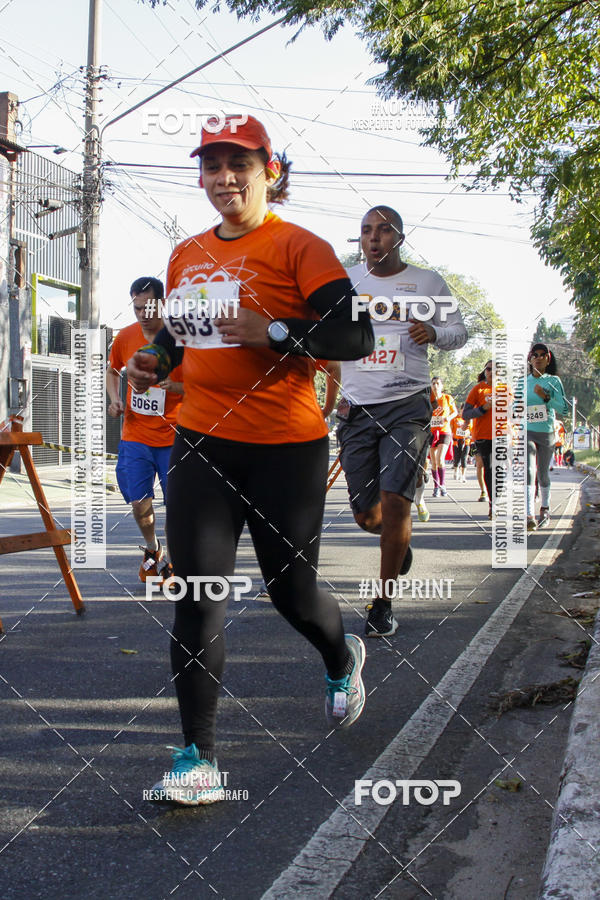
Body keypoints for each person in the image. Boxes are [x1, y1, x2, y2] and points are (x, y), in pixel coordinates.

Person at [126, 115, 374, 805]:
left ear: (270, 171)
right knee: (198, 596)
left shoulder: (301, 246)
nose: (224, 178)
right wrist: (155, 361)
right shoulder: (186, 254)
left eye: (240, 164)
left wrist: (273, 330)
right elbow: (182, 339)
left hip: (286, 448)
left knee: (290, 593)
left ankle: (339, 656)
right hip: (202, 440)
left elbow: (352, 334)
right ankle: (197, 758)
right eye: (211, 166)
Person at [336, 205, 467, 638]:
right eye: (366, 231)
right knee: (366, 516)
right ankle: (399, 545)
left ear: (400, 238)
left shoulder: (427, 283)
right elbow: (326, 333)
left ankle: (383, 603)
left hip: (407, 404)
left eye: (384, 231)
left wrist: (433, 333)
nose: (374, 238)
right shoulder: (346, 282)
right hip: (358, 409)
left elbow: (458, 332)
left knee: (396, 502)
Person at [107, 276, 183, 581]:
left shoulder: (180, 339)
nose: (143, 314)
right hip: (135, 435)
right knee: (140, 504)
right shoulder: (125, 337)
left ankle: (174, 563)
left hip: (175, 435)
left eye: (149, 307)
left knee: (177, 506)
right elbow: (113, 369)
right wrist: (115, 400)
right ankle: (153, 549)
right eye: (137, 308)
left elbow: (206, 385)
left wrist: (176, 385)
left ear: (162, 304)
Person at [525, 343, 569, 530]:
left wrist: (546, 397)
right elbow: (513, 407)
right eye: (535, 354)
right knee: (528, 470)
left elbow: (564, 409)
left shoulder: (553, 381)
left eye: (543, 355)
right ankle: (529, 514)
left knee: (543, 473)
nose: (539, 357)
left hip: (547, 432)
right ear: (530, 358)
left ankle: (545, 508)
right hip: (527, 430)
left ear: (548, 359)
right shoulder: (522, 382)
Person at [463, 360, 494, 519]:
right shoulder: (478, 389)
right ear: (485, 371)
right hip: (483, 435)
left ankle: (497, 498)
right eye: (488, 369)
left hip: (503, 435)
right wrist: (483, 409)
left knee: (500, 469)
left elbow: (516, 412)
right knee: (488, 468)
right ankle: (493, 503)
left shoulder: (508, 389)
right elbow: (465, 414)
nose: (491, 372)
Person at [429, 377, 457, 496]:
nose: (435, 386)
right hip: (432, 432)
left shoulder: (447, 398)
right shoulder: (428, 399)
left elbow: (454, 412)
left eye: (438, 383)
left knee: (440, 459)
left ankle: (443, 485)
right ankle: (435, 486)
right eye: (433, 383)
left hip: (444, 431)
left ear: (441, 386)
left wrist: (448, 418)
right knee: (434, 462)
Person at [451, 413, 471, 482]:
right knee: (456, 458)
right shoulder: (455, 419)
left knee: (464, 458)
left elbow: (471, 430)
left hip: (466, 441)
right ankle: (456, 470)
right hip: (456, 442)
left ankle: (463, 476)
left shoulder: (469, 419)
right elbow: (451, 429)